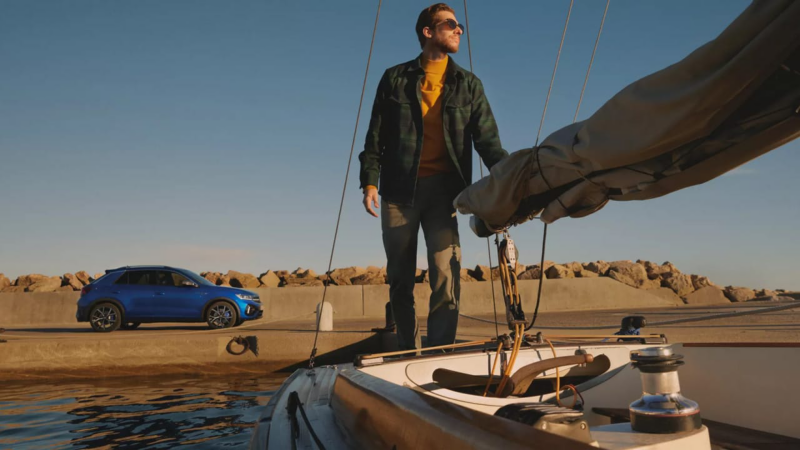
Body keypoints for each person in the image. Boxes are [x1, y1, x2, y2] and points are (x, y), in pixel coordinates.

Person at [358, 3, 507, 350]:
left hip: (445, 194)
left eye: (460, 26)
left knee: (445, 275)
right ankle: (407, 351)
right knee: (400, 280)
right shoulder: (394, 78)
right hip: (398, 193)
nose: (459, 30)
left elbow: (489, 143)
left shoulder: (469, 85)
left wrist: (512, 179)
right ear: (428, 32)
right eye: (451, 24)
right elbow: (374, 138)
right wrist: (369, 182)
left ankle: (440, 351)